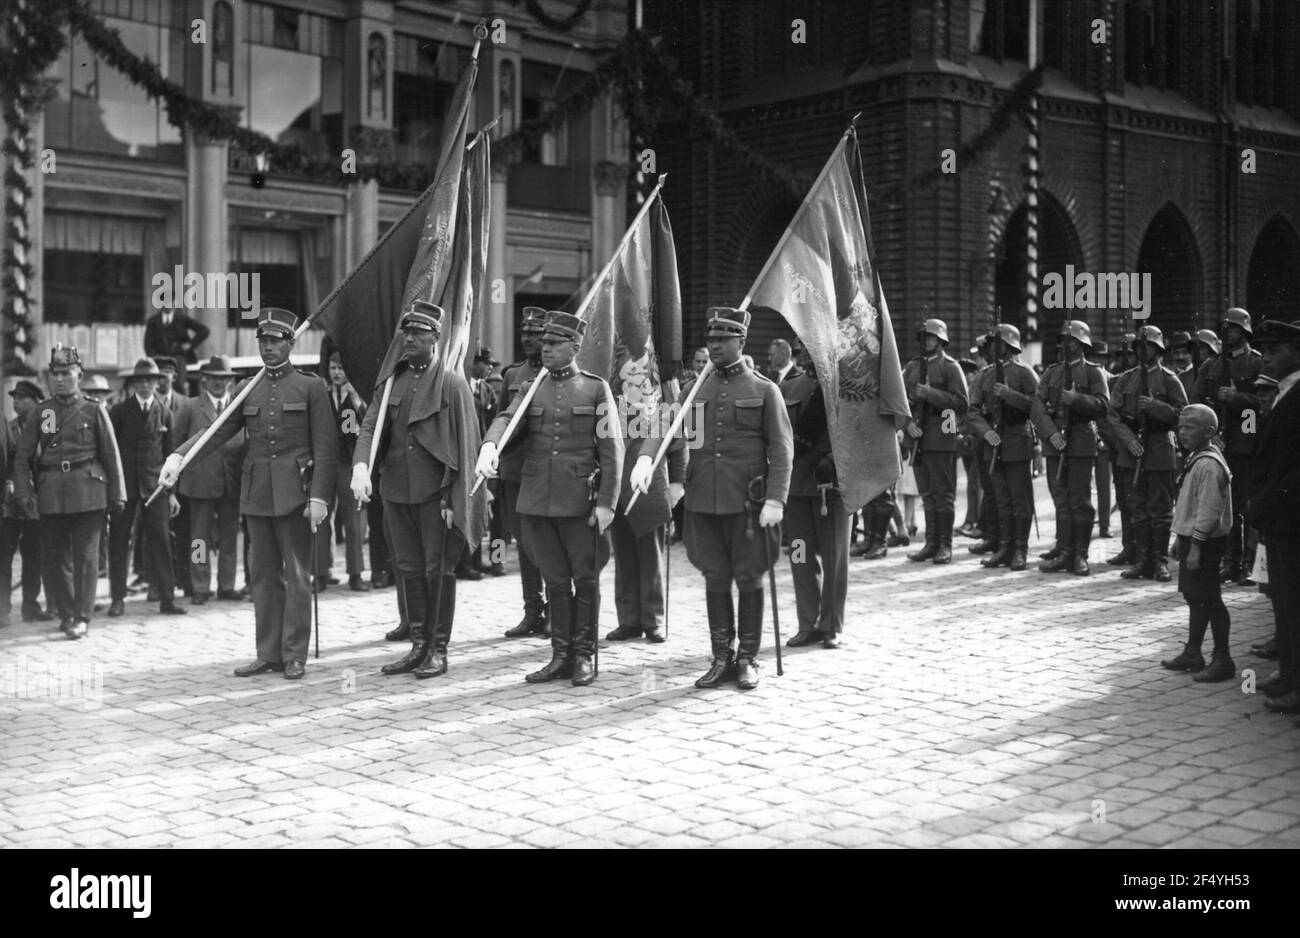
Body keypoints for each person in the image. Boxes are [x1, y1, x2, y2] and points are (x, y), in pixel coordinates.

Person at [161, 308, 337, 680]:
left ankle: (294, 655)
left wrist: (320, 498)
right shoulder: (248, 388)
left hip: (296, 494)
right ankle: (268, 652)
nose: (268, 348)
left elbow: (325, 448)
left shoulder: (311, 387)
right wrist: (180, 456)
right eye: (263, 341)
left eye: (275, 341)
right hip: (256, 492)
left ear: (291, 343)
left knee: (298, 575)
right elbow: (217, 434)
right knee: (262, 575)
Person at [633, 307, 792, 690]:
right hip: (704, 500)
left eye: (724, 339)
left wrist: (776, 499)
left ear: (741, 341)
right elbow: (664, 425)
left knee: (750, 579)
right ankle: (721, 656)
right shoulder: (693, 389)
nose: (716, 346)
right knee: (716, 579)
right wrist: (644, 457)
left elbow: (782, 449)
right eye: (711, 339)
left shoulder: (763, 389)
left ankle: (749, 658)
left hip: (748, 503)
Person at [479, 309, 623, 686]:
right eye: (543, 343)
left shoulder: (595, 388)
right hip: (538, 499)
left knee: (585, 579)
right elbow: (507, 419)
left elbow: (611, 449)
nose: (545, 349)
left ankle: (585, 655)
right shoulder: (531, 388)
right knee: (555, 579)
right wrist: (490, 445)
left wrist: (607, 501)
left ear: (574, 347)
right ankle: (560, 654)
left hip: (579, 501)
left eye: (555, 343)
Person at [353, 303, 486, 679]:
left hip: (435, 495)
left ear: (436, 338)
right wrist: (361, 466)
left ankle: (437, 649)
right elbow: (369, 428)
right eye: (406, 334)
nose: (410, 340)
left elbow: (466, 446)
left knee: (437, 568)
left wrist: (452, 498)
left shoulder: (451, 383)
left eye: (419, 334)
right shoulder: (392, 381)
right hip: (396, 490)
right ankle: (417, 645)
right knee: (408, 567)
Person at [13, 346, 126, 639]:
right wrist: (24, 493)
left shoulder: (93, 408)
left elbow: (111, 454)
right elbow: (23, 457)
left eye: (66, 374)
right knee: (54, 558)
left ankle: (81, 616)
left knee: (86, 559)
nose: (60, 379)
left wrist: (118, 494)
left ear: (79, 375)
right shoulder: (42, 412)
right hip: (51, 494)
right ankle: (66, 613)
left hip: (88, 491)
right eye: (56, 374)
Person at [605, 351, 683, 644]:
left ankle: (654, 620)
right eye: (630, 378)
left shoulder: (664, 410)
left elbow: (679, 446)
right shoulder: (611, 410)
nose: (636, 383)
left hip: (651, 490)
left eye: (641, 378)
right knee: (623, 556)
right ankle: (628, 620)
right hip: (619, 491)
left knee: (651, 557)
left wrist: (677, 483)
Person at [1244, 320, 1300, 716]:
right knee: (1283, 600)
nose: (1267, 357)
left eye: (1275, 350)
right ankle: (1288, 674)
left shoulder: (1297, 395)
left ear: (1295, 353)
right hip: (1279, 516)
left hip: (1290, 516)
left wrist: (1266, 501)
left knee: (1295, 602)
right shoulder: (1285, 393)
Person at [1106, 327, 1188, 582]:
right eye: (1140, 347)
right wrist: (1128, 441)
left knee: (1161, 509)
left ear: (1159, 349)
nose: (1144, 351)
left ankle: (1160, 561)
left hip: (1159, 446)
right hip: (1132, 451)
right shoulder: (1125, 379)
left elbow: (1184, 414)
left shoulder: (1169, 379)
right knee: (1136, 508)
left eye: (1149, 346)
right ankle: (1143, 560)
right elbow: (1112, 415)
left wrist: (1156, 407)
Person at [781, 343, 849, 647]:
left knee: (835, 558)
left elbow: (857, 434)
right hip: (795, 488)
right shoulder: (787, 387)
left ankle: (831, 625)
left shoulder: (845, 388)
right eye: (804, 345)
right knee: (799, 555)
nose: (810, 351)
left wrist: (832, 462)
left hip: (830, 488)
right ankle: (807, 623)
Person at [1161, 404, 1234, 681]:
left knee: (1210, 598)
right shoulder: (1197, 457)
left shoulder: (1208, 463)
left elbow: (1208, 510)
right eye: (1180, 427)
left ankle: (1223, 657)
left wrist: (1196, 546)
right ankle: (1193, 651)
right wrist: (1181, 537)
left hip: (1204, 543)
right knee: (1195, 597)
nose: (1182, 433)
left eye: (1189, 427)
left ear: (1210, 431)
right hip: (1191, 540)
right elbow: (1188, 505)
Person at [107, 358, 186, 617]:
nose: (145, 385)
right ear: (133, 383)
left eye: (150, 380)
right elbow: (111, 452)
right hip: (126, 487)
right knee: (120, 541)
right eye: (140, 380)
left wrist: (172, 494)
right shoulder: (118, 412)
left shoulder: (165, 413)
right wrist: (114, 490)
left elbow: (171, 457)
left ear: (157, 382)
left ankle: (167, 599)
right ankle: (117, 599)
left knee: (161, 541)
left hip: (156, 488)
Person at [1032, 320, 1110, 575]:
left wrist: (1076, 399)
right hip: (1057, 442)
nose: (1067, 345)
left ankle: (1080, 554)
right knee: (1061, 500)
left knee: (1080, 500)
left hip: (1081, 439)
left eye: (1072, 341)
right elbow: (1037, 405)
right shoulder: (1052, 372)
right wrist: (1051, 434)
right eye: (1065, 340)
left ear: (1082, 344)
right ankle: (1064, 551)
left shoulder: (1093, 372)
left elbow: (1103, 405)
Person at [1191, 307, 1262, 586]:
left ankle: (1248, 563)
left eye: (1233, 328)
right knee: (1226, 507)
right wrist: (1213, 434)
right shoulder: (1212, 366)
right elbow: (1197, 402)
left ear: (1244, 331)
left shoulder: (1256, 364)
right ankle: (1230, 562)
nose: (1228, 333)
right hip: (1220, 445)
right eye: (1225, 329)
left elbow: (1260, 407)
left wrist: (1237, 397)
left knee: (1247, 505)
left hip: (1246, 445)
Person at [497, 307, 551, 639]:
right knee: (523, 545)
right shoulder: (511, 376)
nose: (528, 339)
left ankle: (555, 612)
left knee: (545, 545)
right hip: (514, 474)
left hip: (544, 474)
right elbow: (502, 421)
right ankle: (533, 610)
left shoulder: (555, 376)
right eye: (525, 333)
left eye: (536, 334)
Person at [967, 324, 1039, 570]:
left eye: (998, 344)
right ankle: (1004, 547)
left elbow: (1037, 407)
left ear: (1009, 346)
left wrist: (1010, 396)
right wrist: (986, 433)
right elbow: (973, 410)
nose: (993, 348)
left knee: (1019, 500)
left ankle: (1020, 550)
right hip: (993, 445)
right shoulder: (984, 375)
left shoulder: (1025, 372)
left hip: (1018, 441)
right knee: (1001, 500)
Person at [173, 356, 243, 603]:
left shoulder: (236, 406)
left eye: (223, 379)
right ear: (204, 380)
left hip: (230, 481)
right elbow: (177, 443)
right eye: (214, 378)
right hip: (200, 482)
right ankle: (200, 586)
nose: (219, 383)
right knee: (199, 539)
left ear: (230, 381)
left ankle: (227, 585)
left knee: (229, 537)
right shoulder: (191, 407)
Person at [903, 318, 969, 564]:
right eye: (924, 338)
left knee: (943, 494)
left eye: (931, 337)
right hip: (917, 436)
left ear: (941, 340)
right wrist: (906, 423)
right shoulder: (912, 367)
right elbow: (899, 400)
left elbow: (962, 403)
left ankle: (945, 545)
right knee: (927, 494)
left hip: (941, 435)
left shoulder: (951, 367)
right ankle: (931, 543)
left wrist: (931, 394)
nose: (927, 341)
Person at [1, 380, 54, 626]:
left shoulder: (46, 425)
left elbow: (50, 457)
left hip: (37, 503)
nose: (16, 402)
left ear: (36, 402)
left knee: (34, 557)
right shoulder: (8, 428)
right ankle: (2, 609)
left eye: (23, 398)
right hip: (11, 505)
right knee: (4, 556)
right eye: (14, 398)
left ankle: (30, 606)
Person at [318, 351, 369, 592]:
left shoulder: (356, 398)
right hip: (325, 464)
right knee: (320, 518)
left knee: (354, 520)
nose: (336, 373)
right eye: (333, 368)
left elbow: (368, 425)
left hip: (349, 465)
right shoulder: (321, 396)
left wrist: (358, 401)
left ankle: (356, 573)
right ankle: (320, 572)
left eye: (340, 368)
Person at [469, 347, 505, 577]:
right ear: (474, 363)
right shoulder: (462, 387)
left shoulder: (488, 390)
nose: (490, 367)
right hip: (471, 457)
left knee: (497, 515)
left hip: (490, 456)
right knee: (474, 511)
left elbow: (495, 420)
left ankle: (497, 560)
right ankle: (472, 560)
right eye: (486, 363)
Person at [144, 306, 210, 365]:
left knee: (181, 364)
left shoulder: (182, 318)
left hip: (182, 358)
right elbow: (148, 346)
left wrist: (190, 344)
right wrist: (156, 357)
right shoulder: (153, 321)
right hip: (161, 360)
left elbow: (204, 331)